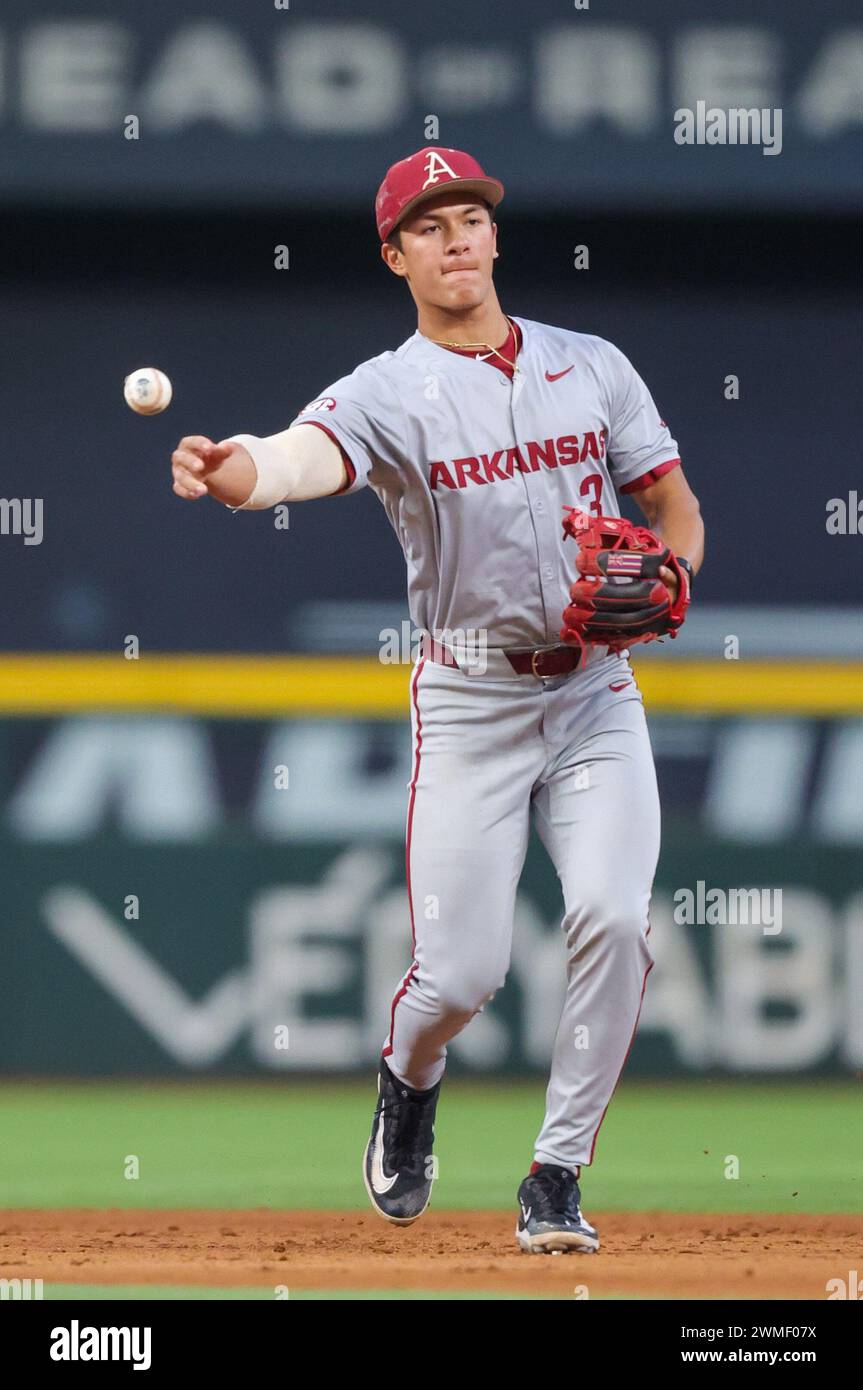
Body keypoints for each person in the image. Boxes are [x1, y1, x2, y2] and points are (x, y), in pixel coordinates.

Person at [170, 147, 704, 1255]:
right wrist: (234, 473)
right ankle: (409, 1080)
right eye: (429, 225)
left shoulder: (590, 365)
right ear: (395, 254)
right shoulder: (383, 391)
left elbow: (667, 500)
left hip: (597, 692)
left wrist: (676, 571)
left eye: (470, 217)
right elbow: (297, 460)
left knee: (611, 914)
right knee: (459, 973)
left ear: (495, 238)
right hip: (468, 698)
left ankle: (554, 1174)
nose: (456, 237)